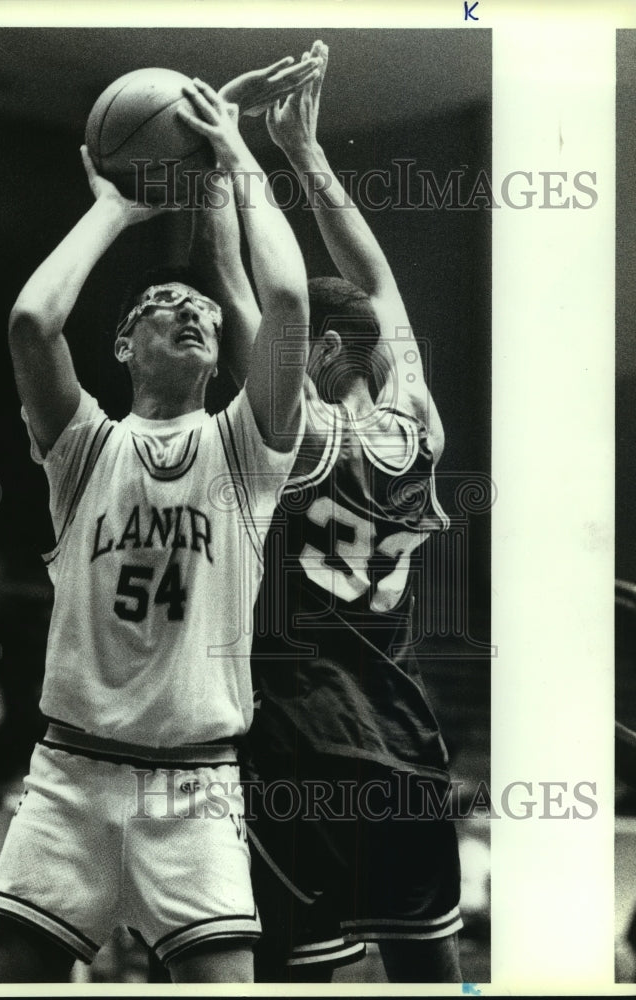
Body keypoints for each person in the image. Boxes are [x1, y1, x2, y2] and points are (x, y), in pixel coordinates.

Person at [0, 73, 313, 984]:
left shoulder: (247, 451)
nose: (200, 310)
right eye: (172, 305)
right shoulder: (85, 448)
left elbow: (286, 304)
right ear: (124, 346)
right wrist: (115, 210)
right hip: (71, 780)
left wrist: (239, 153)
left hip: (196, 788)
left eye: (206, 309)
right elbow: (31, 320)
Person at [190, 41, 464, 983]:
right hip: (407, 742)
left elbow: (235, 285)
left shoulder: (293, 434)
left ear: (321, 354)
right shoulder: (416, 432)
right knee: (431, 974)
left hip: (299, 745)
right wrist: (307, 153)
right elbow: (384, 295)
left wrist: (229, 150)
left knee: (301, 978)